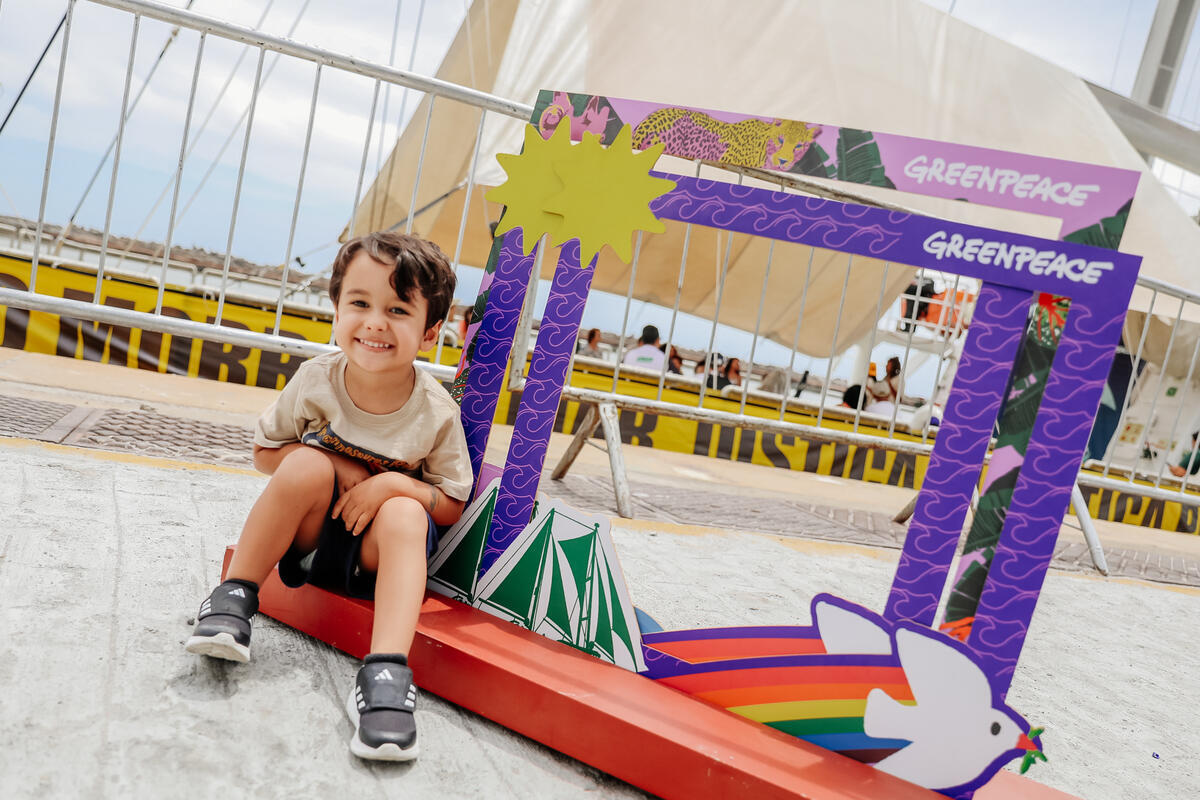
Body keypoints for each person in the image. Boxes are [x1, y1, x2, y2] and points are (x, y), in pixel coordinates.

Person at [184, 232, 473, 762]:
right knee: (304, 463)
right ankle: (233, 596)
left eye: (398, 310)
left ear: (431, 331)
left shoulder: (436, 412)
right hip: (311, 543)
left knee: (407, 511)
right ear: (336, 309)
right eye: (359, 303)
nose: (375, 322)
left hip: (374, 563)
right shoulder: (317, 379)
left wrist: (394, 484)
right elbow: (264, 452)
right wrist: (333, 461)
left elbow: (452, 502)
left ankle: (386, 672)